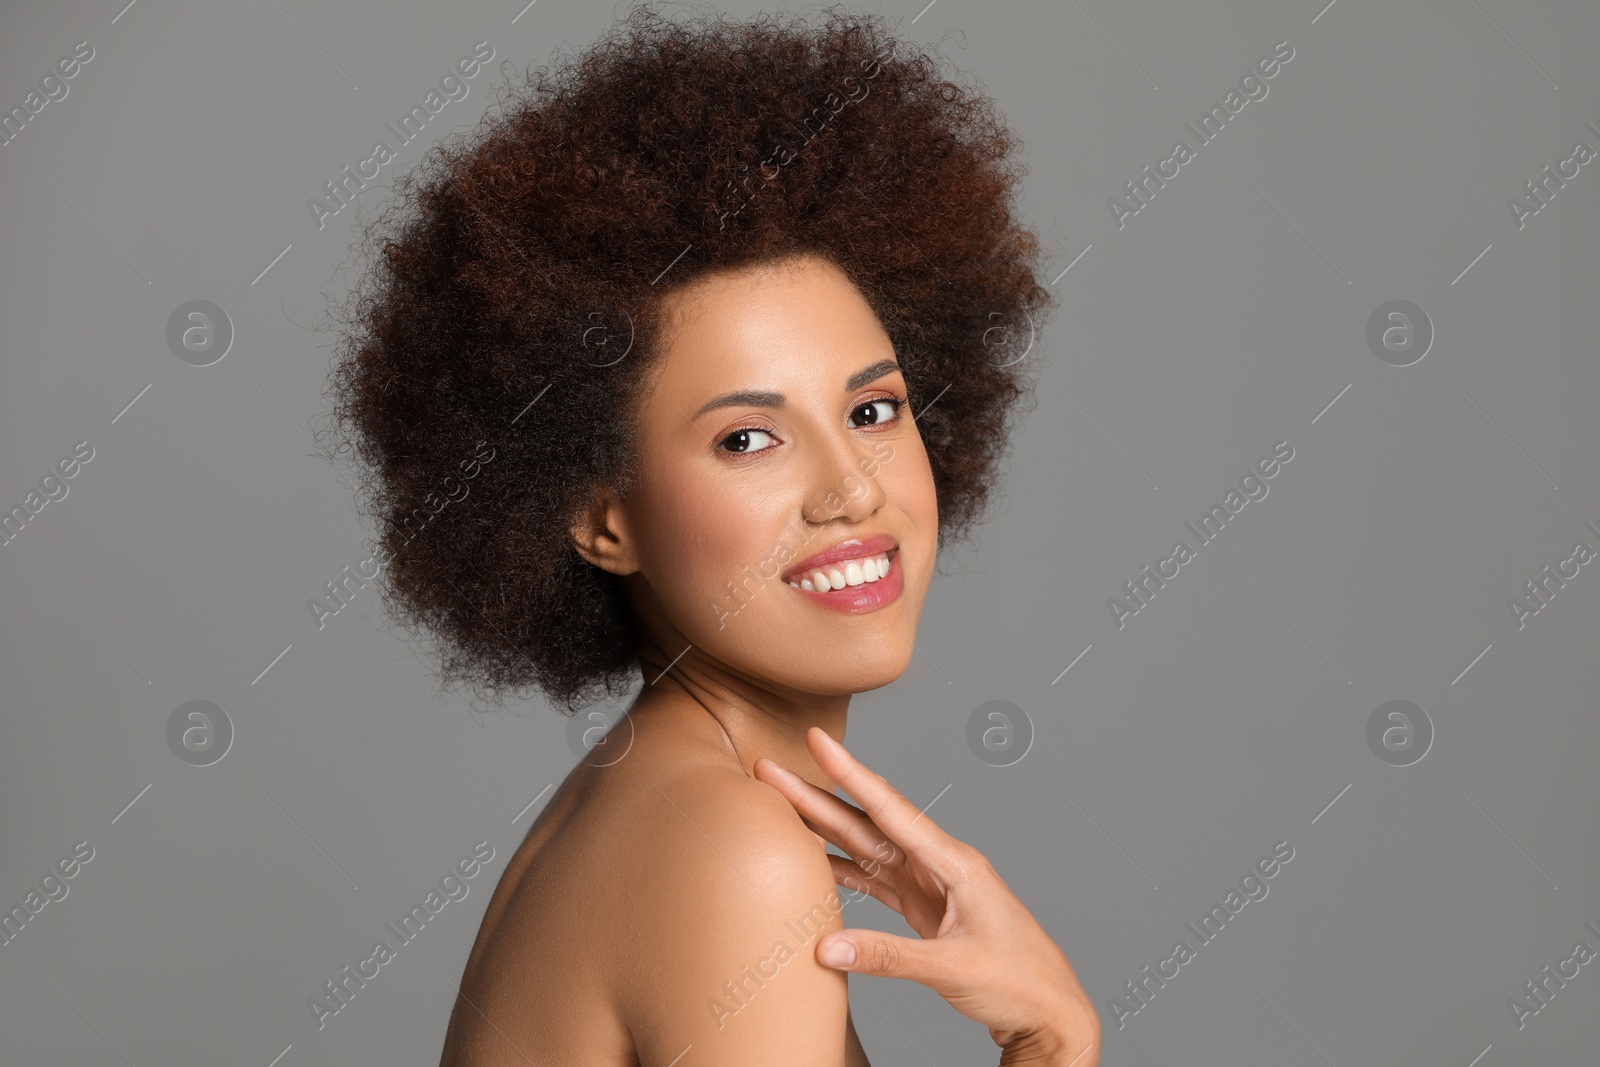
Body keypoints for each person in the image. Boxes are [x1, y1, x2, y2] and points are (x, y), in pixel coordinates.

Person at [324, 5, 1099, 1064]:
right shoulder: (726, 850)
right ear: (602, 522)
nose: (850, 492)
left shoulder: (657, 795)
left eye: (871, 411)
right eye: (746, 438)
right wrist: (1053, 1036)